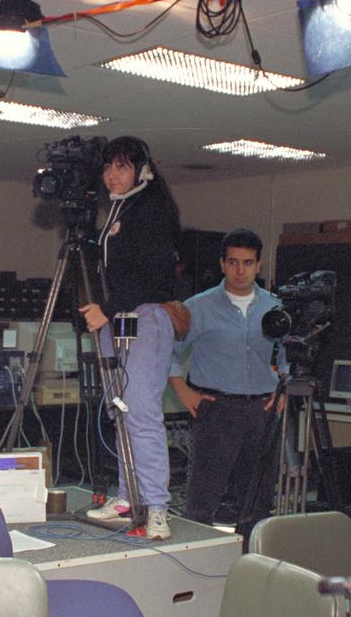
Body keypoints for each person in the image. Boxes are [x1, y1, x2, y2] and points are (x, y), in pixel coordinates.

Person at [80, 136, 181, 540]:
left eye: (121, 167)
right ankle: (127, 498)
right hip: (116, 320)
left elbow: (153, 276)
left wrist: (110, 305)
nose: (111, 175)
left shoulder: (152, 210)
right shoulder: (119, 209)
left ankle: (156, 506)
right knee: (119, 412)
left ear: (142, 171)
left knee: (140, 412)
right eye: (108, 167)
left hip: (144, 318)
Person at [169, 228, 286, 526]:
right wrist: (182, 390)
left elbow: (289, 352)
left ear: (259, 265)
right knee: (203, 499)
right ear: (222, 264)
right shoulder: (198, 307)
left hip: (262, 411)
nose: (240, 270)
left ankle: (252, 561)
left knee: (257, 500)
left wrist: (284, 388)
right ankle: (198, 564)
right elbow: (167, 350)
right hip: (216, 410)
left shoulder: (275, 307)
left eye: (247, 263)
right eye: (233, 262)